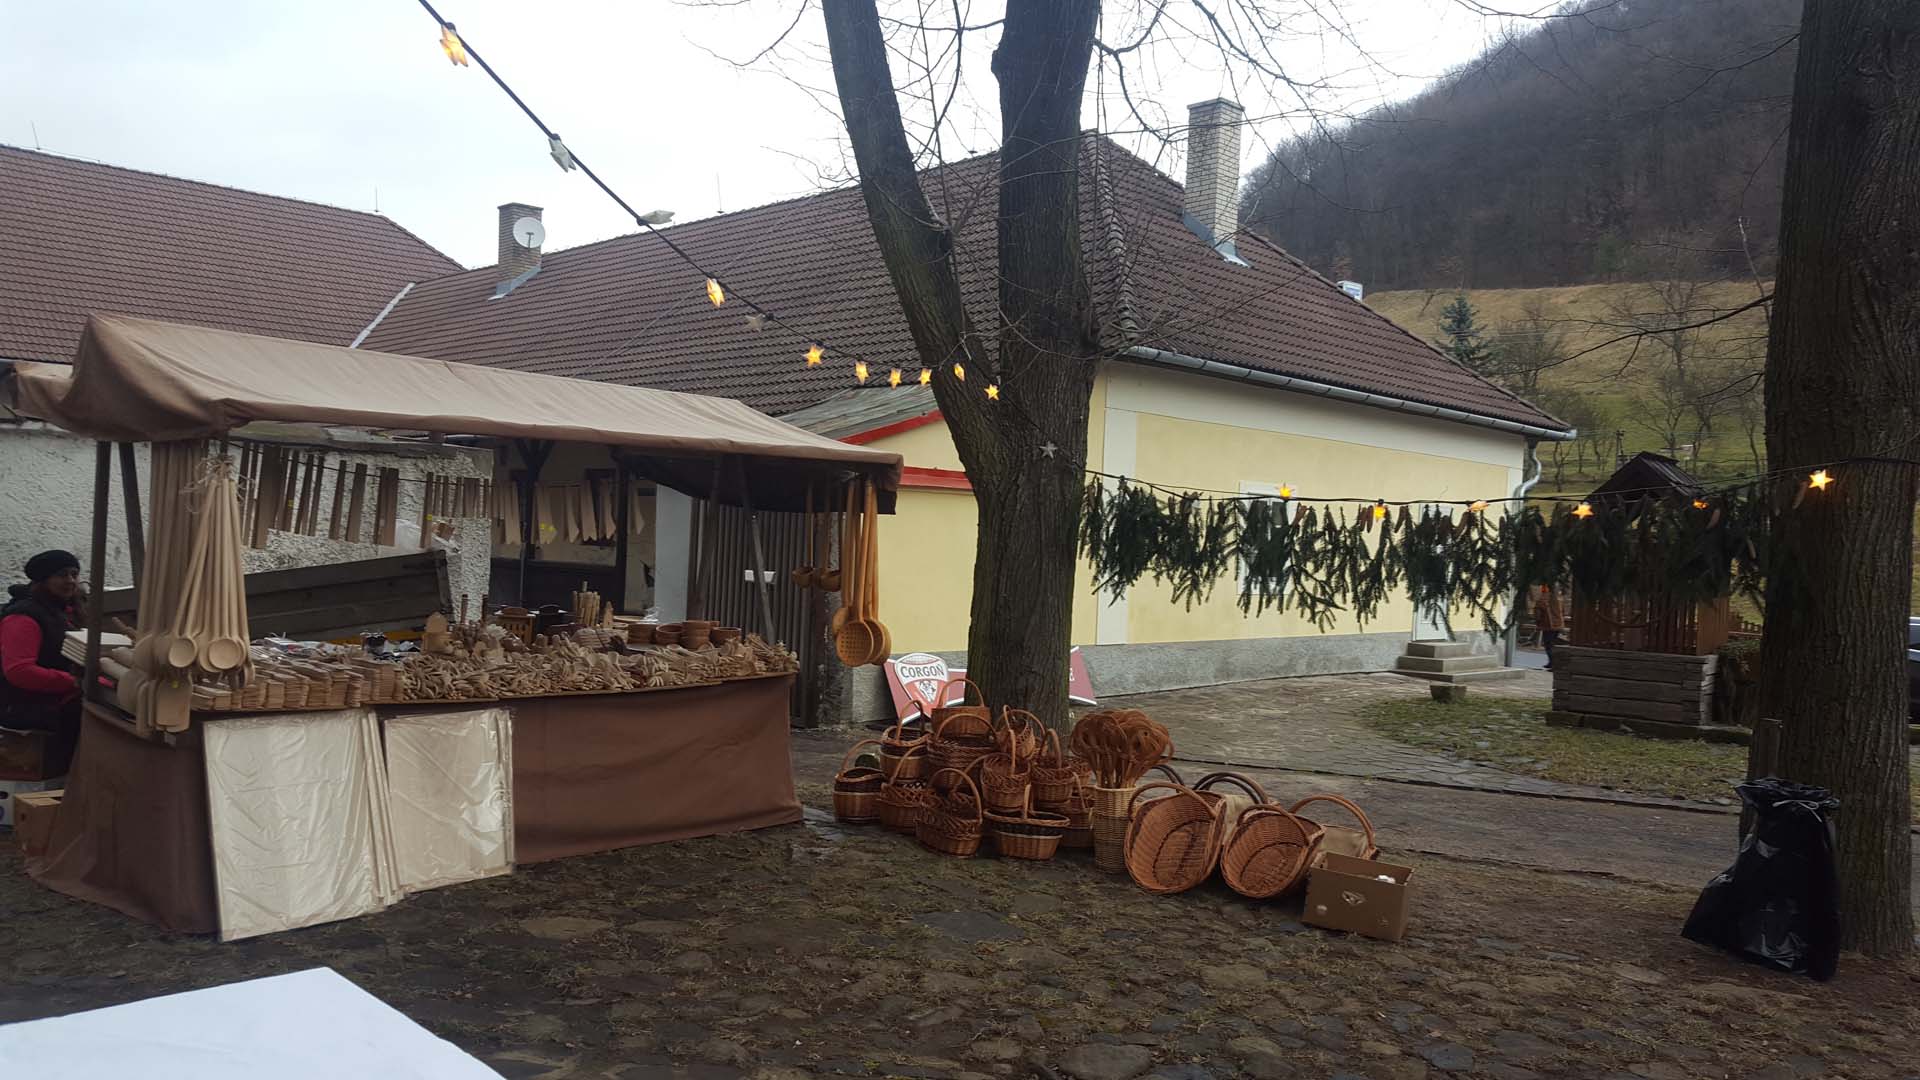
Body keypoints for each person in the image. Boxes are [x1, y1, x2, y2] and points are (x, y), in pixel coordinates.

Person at [1, 550, 84, 765]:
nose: (70, 581)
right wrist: (74, 682)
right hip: (26, 706)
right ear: (43, 579)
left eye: (74, 574)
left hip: (54, 698)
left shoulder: (61, 611)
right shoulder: (23, 616)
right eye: (62, 575)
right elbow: (20, 671)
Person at [1533, 582, 1566, 670]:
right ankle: (1551, 663)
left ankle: (1554, 663)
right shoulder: (1559, 598)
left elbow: (1537, 613)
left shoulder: (1543, 598)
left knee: (1548, 645)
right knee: (1553, 644)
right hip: (1558, 625)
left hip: (1548, 625)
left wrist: (1538, 623)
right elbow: (1563, 611)